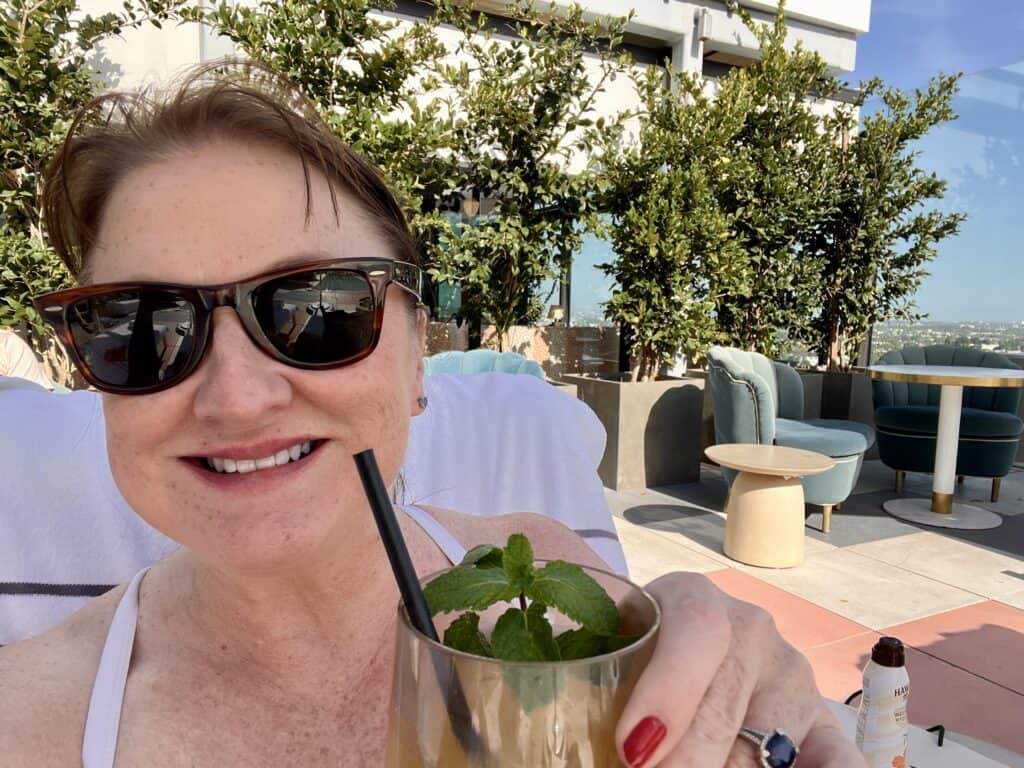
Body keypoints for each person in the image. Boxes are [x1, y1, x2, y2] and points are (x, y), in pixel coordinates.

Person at [0, 63, 864, 768]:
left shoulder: (554, 589)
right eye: (140, 327)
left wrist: (740, 703)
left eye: (321, 307)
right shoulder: (27, 722)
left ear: (418, 355)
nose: (237, 396)